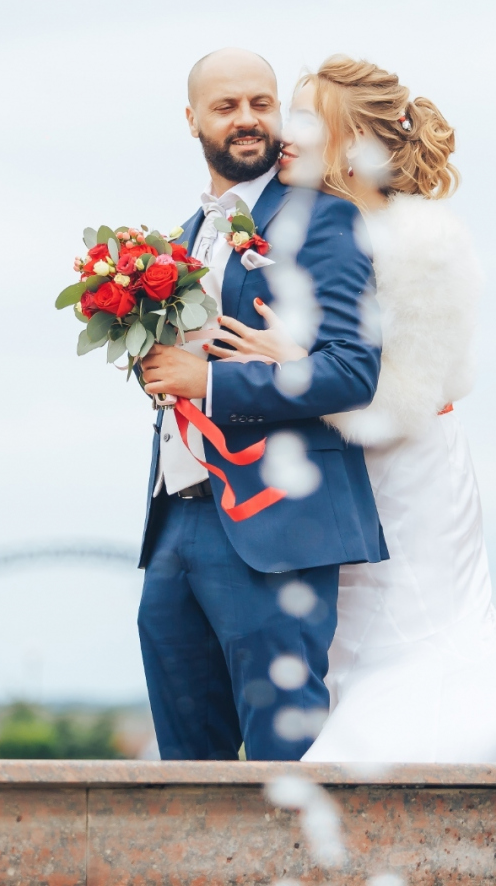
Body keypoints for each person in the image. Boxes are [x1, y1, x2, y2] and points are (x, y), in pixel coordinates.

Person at [207, 55, 496, 763]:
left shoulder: (422, 242)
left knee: (415, 642)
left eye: (306, 120)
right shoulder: (316, 233)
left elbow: (403, 398)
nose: (284, 136)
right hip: (344, 476)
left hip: (409, 476)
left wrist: (291, 363)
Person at [134, 48, 387, 761]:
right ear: (192, 121)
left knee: (286, 766)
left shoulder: (327, 222)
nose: (247, 120)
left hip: (275, 535)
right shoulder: (184, 237)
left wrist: (206, 383)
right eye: (225, 106)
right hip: (175, 524)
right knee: (184, 772)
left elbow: (351, 371)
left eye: (260, 103)